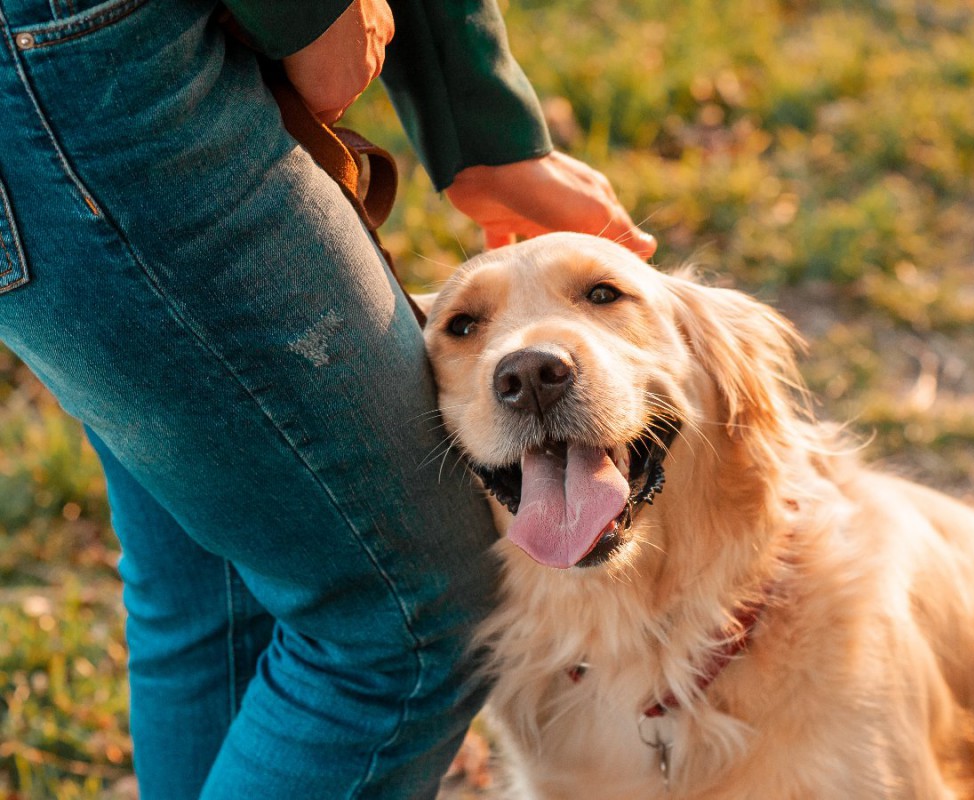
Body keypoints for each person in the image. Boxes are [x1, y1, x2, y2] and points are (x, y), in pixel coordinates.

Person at [0, 0, 654, 797]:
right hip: (84, 66)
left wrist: (476, 115)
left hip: (69, 64)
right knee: (405, 619)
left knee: (221, 580)